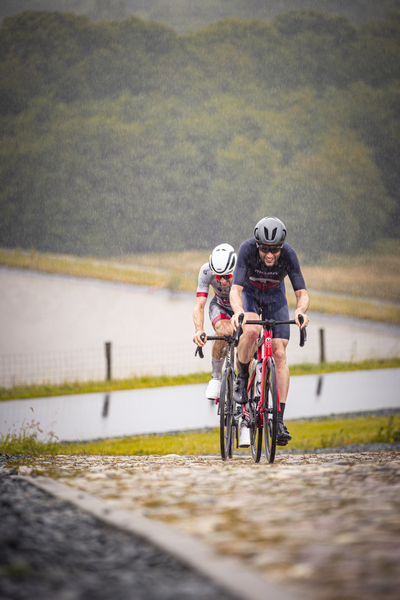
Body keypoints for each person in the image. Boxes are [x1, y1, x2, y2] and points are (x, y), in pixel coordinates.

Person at [230, 216, 309, 446]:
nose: (269, 255)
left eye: (274, 250)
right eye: (265, 249)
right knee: (252, 331)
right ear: (257, 245)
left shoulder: (289, 254)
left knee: (280, 353)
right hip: (251, 295)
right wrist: (237, 312)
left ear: (281, 247)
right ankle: (243, 376)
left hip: (276, 297)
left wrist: (300, 312)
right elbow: (235, 290)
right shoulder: (246, 249)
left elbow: (301, 293)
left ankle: (279, 420)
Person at [193, 243, 237, 401]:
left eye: (227, 276)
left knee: (247, 342)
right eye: (219, 277)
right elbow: (199, 305)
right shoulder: (205, 271)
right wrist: (199, 329)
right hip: (220, 306)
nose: (223, 281)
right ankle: (216, 377)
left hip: (243, 308)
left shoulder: (243, 268)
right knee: (225, 332)